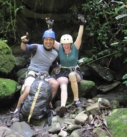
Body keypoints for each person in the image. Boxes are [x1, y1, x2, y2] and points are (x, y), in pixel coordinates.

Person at [12, 29, 59, 121]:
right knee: (28, 90)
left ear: (53, 41)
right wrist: (24, 42)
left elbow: (55, 67)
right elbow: (24, 48)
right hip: (33, 72)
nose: (48, 42)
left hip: (45, 75)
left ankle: (47, 104)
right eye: (46, 39)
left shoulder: (55, 54)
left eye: (51, 40)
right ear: (43, 40)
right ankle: (17, 110)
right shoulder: (36, 47)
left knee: (55, 84)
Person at [46, 14, 85, 117]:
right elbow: (50, 40)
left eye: (68, 44)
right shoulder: (59, 47)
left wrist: (81, 24)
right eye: (64, 44)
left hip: (75, 72)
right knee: (63, 84)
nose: (66, 46)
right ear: (62, 44)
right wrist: (50, 27)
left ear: (71, 44)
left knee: (72, 75)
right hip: (62, 71)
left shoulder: (75, 47)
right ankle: (63, 106)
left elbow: (79, 36)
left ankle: (76, 100)